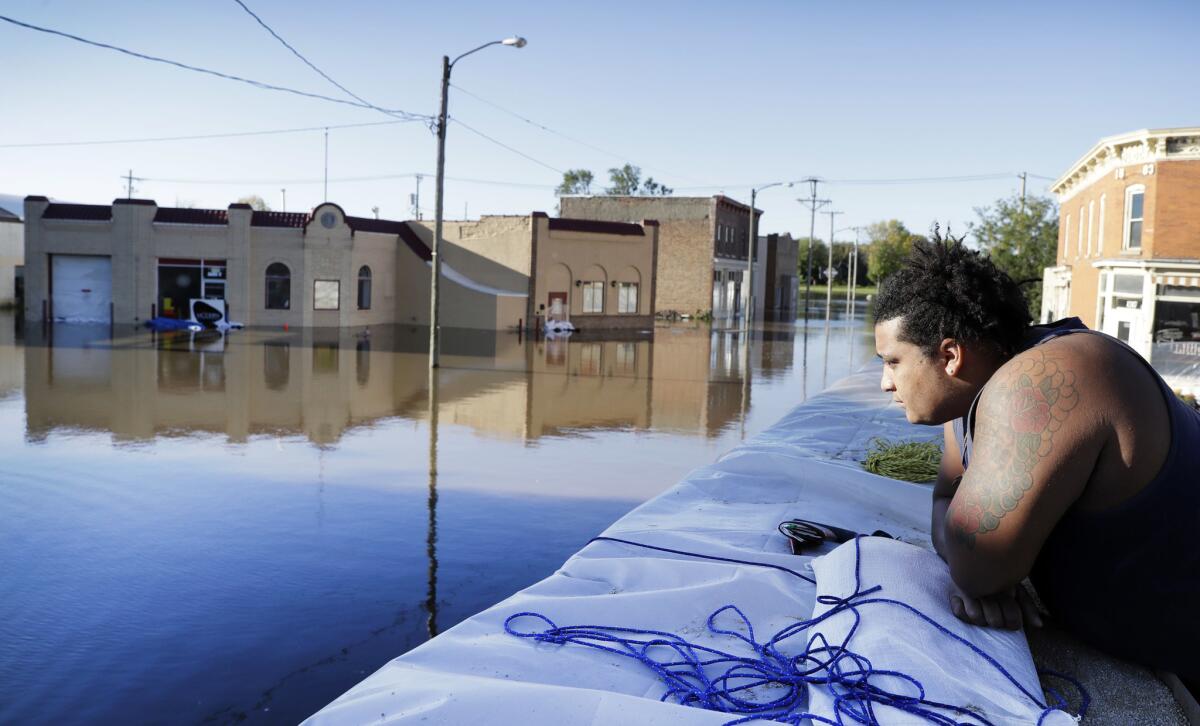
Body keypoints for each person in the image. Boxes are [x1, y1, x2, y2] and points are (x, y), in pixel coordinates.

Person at [872, 234, 1199, 683]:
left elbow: (976, 566)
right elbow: (947, 509)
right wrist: (979, 566)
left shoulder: (1035, 384)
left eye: (892, 361)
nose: (885, 383)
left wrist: (983, 572)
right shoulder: (972, 394)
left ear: (950, 356)